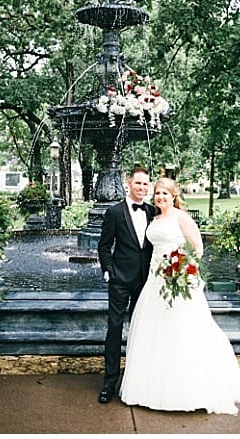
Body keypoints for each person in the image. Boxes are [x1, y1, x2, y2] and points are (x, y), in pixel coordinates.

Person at [119, 177, 240, 413]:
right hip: (155, 281)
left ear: (173, 196)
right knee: (154, 330)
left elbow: (197, 248)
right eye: (157, 194)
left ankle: (187, 389)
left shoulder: (181, 217)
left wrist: (181, 269)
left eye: (165, 194)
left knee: (182, 330)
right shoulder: (154, 218)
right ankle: (152, 386)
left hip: (179, 281)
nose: (160, 198)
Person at [97, 165, 155, 404]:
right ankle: (109, 382)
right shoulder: (115, 213)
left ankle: (137, 380)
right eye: (137, 183)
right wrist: (109, 270)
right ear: (128, 183)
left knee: (143, 331)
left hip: (146, 282)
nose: (141, 187)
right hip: (120, 280)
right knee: (115, 328)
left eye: (145, 184)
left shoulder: (153, 212)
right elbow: (104, 246)